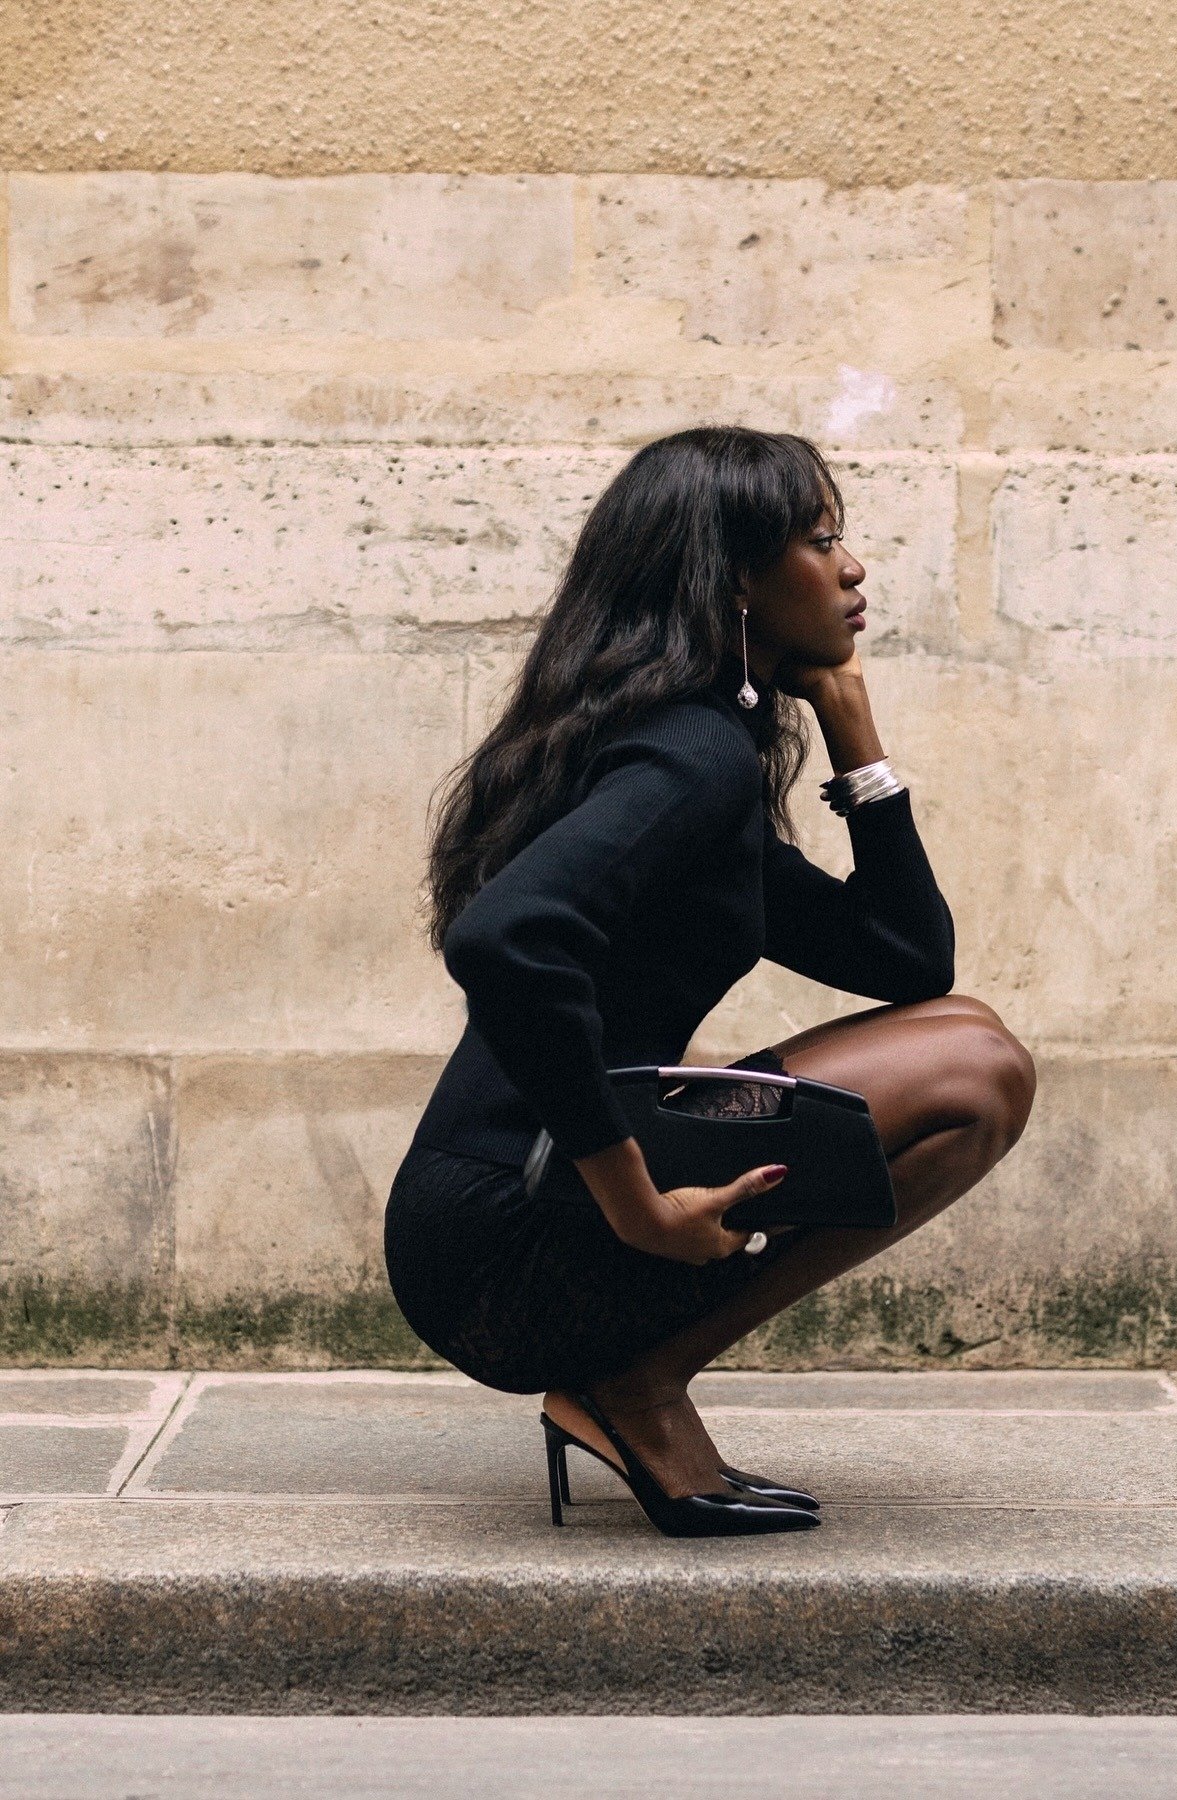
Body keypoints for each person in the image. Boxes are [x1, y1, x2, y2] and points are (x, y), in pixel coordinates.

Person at [383, 425, 1036, 1537]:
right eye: (820, 539)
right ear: (734, 575)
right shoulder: (691, 758)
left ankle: (631, 1382)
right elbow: (506, 940)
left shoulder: (686, 755)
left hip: (499, 1212)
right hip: (505, 1233)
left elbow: (908, 963)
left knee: (964, 1031)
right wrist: (634, 1202)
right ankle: (632, 1385)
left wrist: (856, 739)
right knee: (975, 1068)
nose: (853, 567)